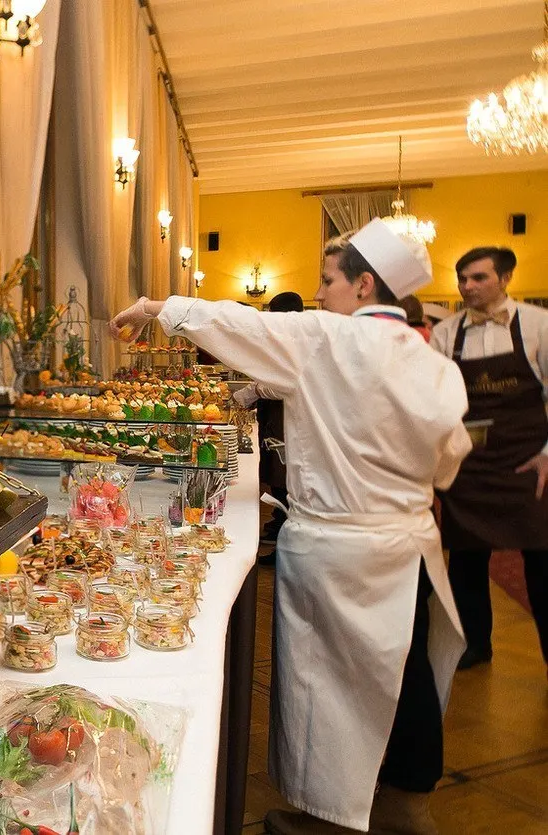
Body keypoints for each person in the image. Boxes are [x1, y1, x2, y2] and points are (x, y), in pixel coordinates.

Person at [111, 219, 470, 835]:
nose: (320, 292)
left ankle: (328, 817)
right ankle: (407, 801)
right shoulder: (432, 362)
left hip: (333, 548)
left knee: (324, 690)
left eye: (328, 280)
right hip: (404, 545)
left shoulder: (324, 337)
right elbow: (449, 460)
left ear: (363, 285)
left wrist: (154, 308)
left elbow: (237, 323)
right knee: (402, 672)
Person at [430, 247, 548, 671]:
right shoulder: (446, 333)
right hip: (470, 464)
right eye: (462, 279)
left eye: (478, 277)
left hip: (527, 462)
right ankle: (475, 644)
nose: (467, 287)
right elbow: (436, 400)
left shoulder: (539, 324)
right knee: (466, 560)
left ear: (506, 277)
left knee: (542, 561)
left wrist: (547, 456)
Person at [232, 291, 304, 567]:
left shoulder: (296, 342)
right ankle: (277, 524)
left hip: (287, 417)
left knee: (285, 478)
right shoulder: (289, 339)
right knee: (276, 475)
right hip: (277, 416)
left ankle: (284, 544)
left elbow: (283, 384)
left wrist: (253, 391)